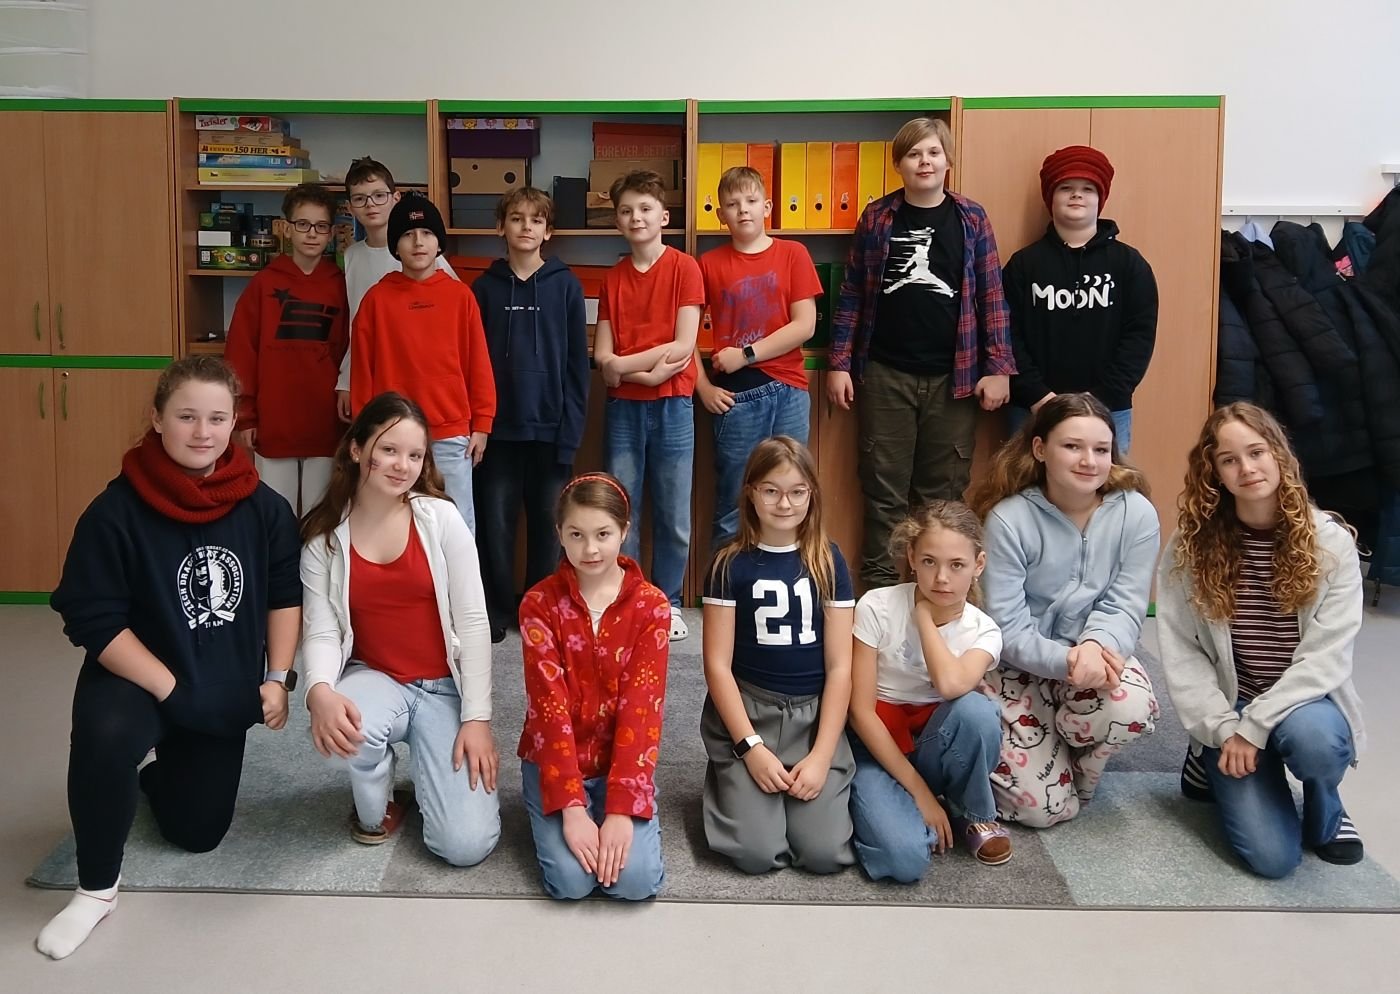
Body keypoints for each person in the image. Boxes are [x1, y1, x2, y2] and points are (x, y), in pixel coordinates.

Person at [41, 356, 301, 960]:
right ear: (158, 419)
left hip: (219, 682)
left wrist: (277, 678)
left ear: (234, 422)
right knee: (106, 735)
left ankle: (154, 778)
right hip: (136, 677)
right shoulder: (115, 511)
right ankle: (95, 891)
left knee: (198, 833)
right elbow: (92, 617)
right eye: (186, 416)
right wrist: (171, 690)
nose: (202, 432)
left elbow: (284, 594)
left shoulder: (264, 509)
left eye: (217, 418)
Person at [1157, 402, 1366, 877]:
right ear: (1214, 473)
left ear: (1279, 455)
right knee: (1273, 859)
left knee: (1317, 743)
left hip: (1303, 703)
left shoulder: (1329, 543)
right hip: (1231, 706)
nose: (1247, 468)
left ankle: (1326, 804)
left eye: (1256, 452)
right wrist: (1221, 729)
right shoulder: (1190, 545)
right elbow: (1183, 652)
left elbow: (1326, 657)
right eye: (1229, 460)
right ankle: (1205, 754)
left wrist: (1256, 727)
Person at [299, 392, 501, 864]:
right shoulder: (324, 539)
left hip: (444, 688)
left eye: (414, 455)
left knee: (463, 847)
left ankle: (434, 775)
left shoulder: (441, 517)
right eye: (388, 450)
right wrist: (319, 691)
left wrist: (477, 719)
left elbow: (474, 621)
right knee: (352, 728)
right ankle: (382, 804)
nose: (402, 466)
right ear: (356, 449)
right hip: (376, 678)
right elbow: (322, 631)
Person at [828, 117, 1016, 588]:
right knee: (882, 494)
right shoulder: (877, 217)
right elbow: (852, 293)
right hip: (884, 374)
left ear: (948, 161)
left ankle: (939, 597)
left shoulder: (971, 218)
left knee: (942, 499)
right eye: (914, 154)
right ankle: (878, 600)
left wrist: (999, 367)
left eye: (933, 153)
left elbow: (992, 295)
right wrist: (838, 363)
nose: (924, 162)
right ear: (899, 164)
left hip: (955, 380)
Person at [968, 392, 1159, 827]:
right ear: (1040, 449)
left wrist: (1094, 647)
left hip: (1095, 657)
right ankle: (1047, 756)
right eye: (1072, 446)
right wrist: (1067, 661)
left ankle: (1074, 765)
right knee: (1044, 811)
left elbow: (1126, 604)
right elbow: (1007, 626)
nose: (1089, 461)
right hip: (1019, 666)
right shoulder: (1009, 519)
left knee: (1130, 708)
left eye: (1101, 449)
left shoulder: (1137, 514)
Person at [700, 437, 857, 874]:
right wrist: (751, 747)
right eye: (770, 490)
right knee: (755, 854)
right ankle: (732, 785)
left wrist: (822, 755)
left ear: (812, 494)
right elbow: (717, 666)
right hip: (750, 712)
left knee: (823, 854)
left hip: (813, 716)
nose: (784, 503)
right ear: (751, 493)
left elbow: (840, 668)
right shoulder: (728, 564)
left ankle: (812, 790)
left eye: (796, 491)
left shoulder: (829, 560)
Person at [517, 473, 670, 900]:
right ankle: (552, 809)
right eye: (576, 535)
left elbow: (643, 711)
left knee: (635, 883)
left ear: (624, 531)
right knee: (571, 883)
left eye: (603, 534)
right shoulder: (539, 604)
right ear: (559, 534)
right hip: (555, 760)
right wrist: (571, 809)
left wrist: (621, 809)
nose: (590, 549)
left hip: (622, 761)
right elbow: (548, 710)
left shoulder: (651, 606)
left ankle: (617, 809)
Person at [847, 501, 1011, 881]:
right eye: (929, 562)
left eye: (957, 565)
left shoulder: (984, 630)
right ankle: (897, 805)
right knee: (903, 861)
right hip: (875, 745)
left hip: (936, 744)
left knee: (977, 712)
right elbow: (860, 712)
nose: (941, 579)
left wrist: (923, 616)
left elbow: (951, 686)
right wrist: (919, 792)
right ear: (911, 558)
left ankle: (971, 813)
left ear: (978, 565)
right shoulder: (876, 606)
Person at [471, 186, 589, 642]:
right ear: (501, 227)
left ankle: (538, 609)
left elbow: (577, 366)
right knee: (495, 526)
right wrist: (478, 423)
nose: (526, 227)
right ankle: (498, 608)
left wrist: (571, 432)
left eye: (536, 220)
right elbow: (472, 363)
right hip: (497, 432)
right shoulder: (483, 289)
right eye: (516, 218)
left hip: (551, 430)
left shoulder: (566, 285)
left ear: (548, 231)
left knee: (550, 528)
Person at [593, 169, 704, 639]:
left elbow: (683, 346)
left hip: (674, 405)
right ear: (617, 220)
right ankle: (630, 599)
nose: (635, 217)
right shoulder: (613, 278)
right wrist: (643, 370)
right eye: (626, 211)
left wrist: (625, 365)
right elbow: (603, 359)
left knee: (674, 512)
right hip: (624, 408)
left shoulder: (684, 268)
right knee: (623, 509)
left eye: (644, 208)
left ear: (664, 216)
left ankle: (669, 602)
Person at [350, 195, 495, 531]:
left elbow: (478, 363)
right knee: (394, 524)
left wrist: (482, 423)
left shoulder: (460, 296)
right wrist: (365, 430)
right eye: (408, 234)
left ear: (439, 243)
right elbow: (362, 372)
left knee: (456, 525)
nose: (418, 242)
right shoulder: (376, 300)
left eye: (427, 233)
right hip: (390, 433)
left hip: (451, 432)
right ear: (395, 246)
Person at [695, 165, 821, 548]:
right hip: (736, 398)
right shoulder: (709, 264)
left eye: (751, 201)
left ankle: (787, 578)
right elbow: (683, 334)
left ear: (767, 207)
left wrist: (746, 354)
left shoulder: (793, 254)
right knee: (734, 503)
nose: (743, 210)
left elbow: (805, 325)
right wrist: (703, 387)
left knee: (791, 499)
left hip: (788, 391)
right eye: (733, 204)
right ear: (720, 215)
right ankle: (726, 584)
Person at [1002, 145, 1158, 455]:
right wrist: (1037, 395)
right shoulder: (1023, 265)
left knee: (1105, 484)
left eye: (1088, 188)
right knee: (1026, 483)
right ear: (1050, 197)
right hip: (1032, 408)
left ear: (1101, 198)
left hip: (1108, 410)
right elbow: (1006, 333)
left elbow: (1139, 337)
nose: (1077, 195)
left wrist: (1100, 399)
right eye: (1066, 188)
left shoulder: (1130, 265)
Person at [224, 182, 348, 514]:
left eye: (321, 226)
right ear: (286, 228)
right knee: (275, 516)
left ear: (332, 232)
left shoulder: (341, 285)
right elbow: (241, 353)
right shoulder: (264, 284)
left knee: (320, 518)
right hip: (274, 422)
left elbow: (350, 354)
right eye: (303, 224)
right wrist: (245, 416)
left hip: (325, 424)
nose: (312, 234)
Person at [334, 156, 460, 422]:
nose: (370, 205)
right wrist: (346, 379)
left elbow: (453, 320)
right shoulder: (352, 256)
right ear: (350, 206)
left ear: (396, 198)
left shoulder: (423, 253)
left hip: (424, 378)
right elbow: (356, 328)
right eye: (360, 199)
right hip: (379, 376)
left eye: (379, 195)